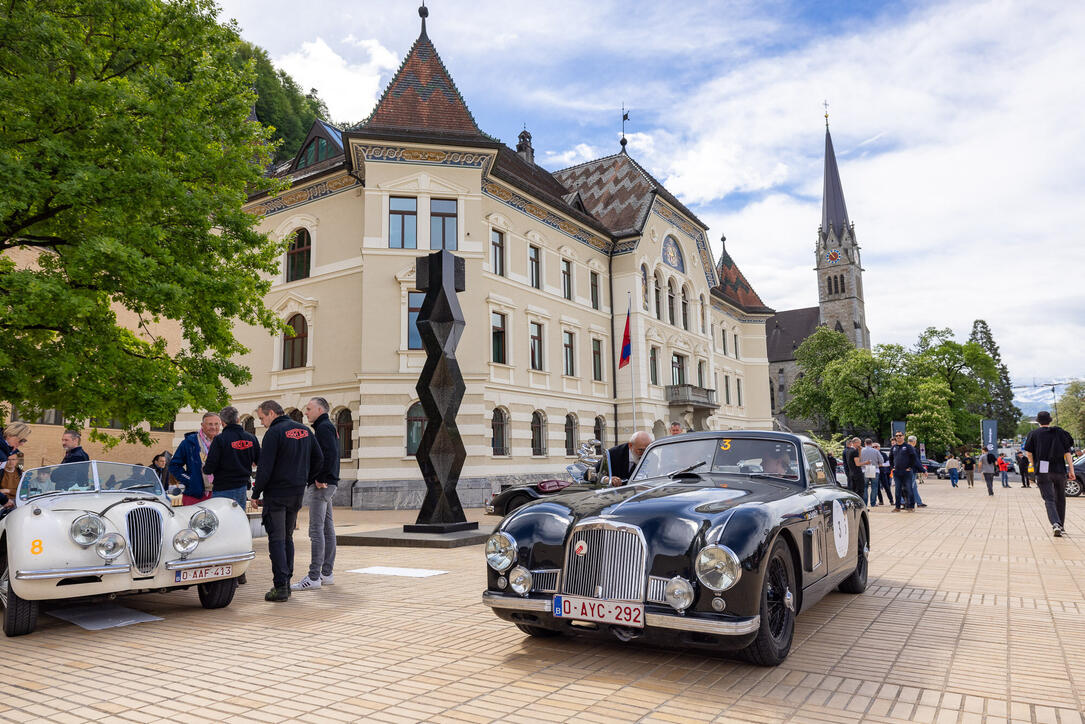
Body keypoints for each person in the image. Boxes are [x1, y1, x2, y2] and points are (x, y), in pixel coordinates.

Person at [252, 400, 323, 602]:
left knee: (277, 538)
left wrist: (256, 493)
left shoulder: (274, 433)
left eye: (262, 418)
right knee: (287, 537)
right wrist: (306, 478)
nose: (263, 423)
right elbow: (319, 459)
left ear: (272, 413)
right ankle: (287, 582)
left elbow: (265, 468)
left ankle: (280, 586)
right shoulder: (304, 430)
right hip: (296, 493)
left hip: (276, 494)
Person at [292, 397, 340, 592]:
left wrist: (320, 477)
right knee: (327, 529)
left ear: (320, 409)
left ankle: (313, 577)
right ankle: (326, 574)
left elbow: (329, 455)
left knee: (316, 531)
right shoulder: (326, 426)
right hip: (328, 484)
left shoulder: (324, 428)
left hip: (322, 485)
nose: (306, 412)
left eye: (309, 409)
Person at [1023, 410, 1076, 537]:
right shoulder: (1060, 432)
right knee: (1060, 498)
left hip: (1043, 468)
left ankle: (1055, 524)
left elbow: (1029, 453)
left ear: (1038, 422)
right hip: (1059, 468)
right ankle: (1061, 526)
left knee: (1049, 499)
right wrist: (1071, 471)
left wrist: (1032, 463)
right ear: (1050, 420)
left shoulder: (1033, 434)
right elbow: (1067, 453)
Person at [168, 412, 222, 505]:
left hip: (219, 493)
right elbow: (174, 466)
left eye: (216, 424)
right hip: (195, 494)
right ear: (202, 425)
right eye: (210, 424)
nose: (213, 427)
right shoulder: (189, 442)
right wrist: (190, 480)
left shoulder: (223, 441)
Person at [0, 422, 30, 511]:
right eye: (20, 440)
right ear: (10, 435)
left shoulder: (18, 454)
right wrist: (4, 500)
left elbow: (21, 474)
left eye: (24, 441)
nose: (22, 444)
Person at [890, 431, 921, 511]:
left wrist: (910, 467)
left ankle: (911, 507)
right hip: (897, 472)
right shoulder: (894, 447)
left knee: (909, 489)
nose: (898, 437)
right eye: (897, 436)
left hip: (907, 472)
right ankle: (897, 507)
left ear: (903, 436)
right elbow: (890, 458)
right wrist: (892, 467)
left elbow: (914, 458)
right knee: (897, 490)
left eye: (900, 435)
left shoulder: (908, 447)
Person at [859, 438, 882, 506]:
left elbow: (859, 460)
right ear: (871, 444)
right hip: (874, 469)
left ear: (865, 443)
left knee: (865, 487)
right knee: (874, 487)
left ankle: (865, 503)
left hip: (864, 469)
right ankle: (873, 503)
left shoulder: (861, 451)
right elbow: (881, 460)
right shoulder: (875, 451)